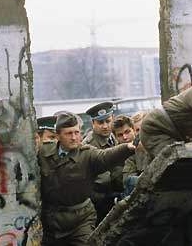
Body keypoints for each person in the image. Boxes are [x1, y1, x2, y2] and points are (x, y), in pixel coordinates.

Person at [38, 111, 136, 246]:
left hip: (80, 219)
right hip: (51, 221)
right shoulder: (43, 152)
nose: (74, 137)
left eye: (77, 132)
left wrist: (127, 148)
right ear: (58, 135)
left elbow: (106, 157)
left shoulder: (87, 154)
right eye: (68, 133)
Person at [83, 101, 119, 224]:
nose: (105, 126)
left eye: (108, 121)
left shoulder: (114, 137)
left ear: (113, 119)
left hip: (114, 195)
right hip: (98, 202)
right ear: (93, 123)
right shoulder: (88, 145)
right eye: (100, 122)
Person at [113, 115, 152, 197]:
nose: (125, 137)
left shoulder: (145, 146)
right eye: (120, 135)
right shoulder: (115, 156)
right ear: (115, 137)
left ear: (133, 130)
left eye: (127, 132)